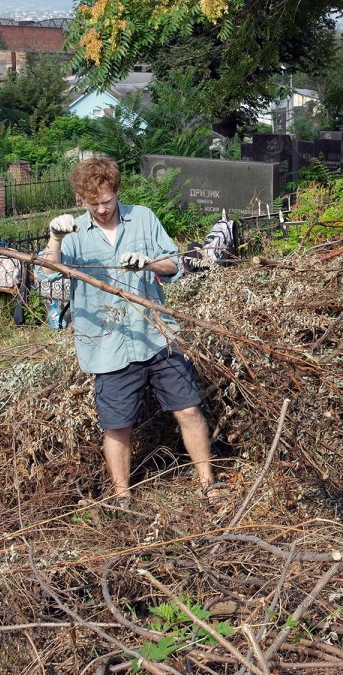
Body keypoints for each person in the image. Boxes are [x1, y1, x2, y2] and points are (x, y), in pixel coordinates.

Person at [39, 157, 226, 508]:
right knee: (117, 424)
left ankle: (207, 483)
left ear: (116, 191)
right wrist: (55, 238)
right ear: (81, 199)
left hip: (157, 335)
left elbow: (175, 264)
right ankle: (122, 497)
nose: (101, 209)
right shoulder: (72, 232)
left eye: (106, 201)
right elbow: (47, 275)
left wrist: (149, 262)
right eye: (93, 203)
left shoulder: (142, 217)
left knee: (187, 410)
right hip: (108, 345)